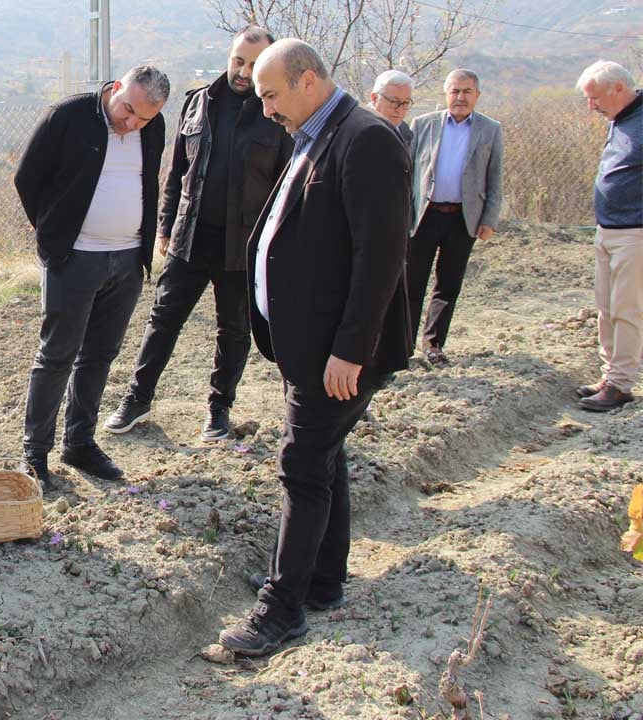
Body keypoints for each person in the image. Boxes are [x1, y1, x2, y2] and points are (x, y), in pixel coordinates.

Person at [218, 39, 412, 657]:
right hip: (307, 345)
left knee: (302, 465)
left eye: (271, 93)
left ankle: (282, 611)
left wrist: (352, 351)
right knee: (325, 458)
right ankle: (322, 580)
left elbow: (381, 258)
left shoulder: (366, 138)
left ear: (307, 81)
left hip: (340, 352)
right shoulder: (312, 133)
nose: (265, 106)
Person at [105, 28, 290, 442]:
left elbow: (284, 187)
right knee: (163, 320)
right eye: (239, 60)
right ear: (230, 56)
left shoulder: (276, 115)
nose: (244, 71)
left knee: (234, 330)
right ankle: (137, 400)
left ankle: (219, 409)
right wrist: (166, 226)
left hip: (244, 246)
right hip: (191, 237)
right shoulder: (199, 103)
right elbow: (176, 174)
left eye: (255, 64)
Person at [14, 65, 171, 488]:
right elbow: (27, 178)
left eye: (143, 119)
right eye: (128, 110)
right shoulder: (66, 116)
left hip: (126, 260)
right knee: (56, 356)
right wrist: (53, 231)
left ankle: (79, 442)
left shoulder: (151, 129)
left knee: (100, 356)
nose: (131, 123)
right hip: (75, 258)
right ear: (116, 87)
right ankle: (36, 452)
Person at [407, 69, 504, 367]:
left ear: (477, 95)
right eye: (455, 91)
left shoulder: (490, 129)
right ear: (446, 93)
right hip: (423, 216)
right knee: (411, 281)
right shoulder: (423, 125)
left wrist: (489, 219)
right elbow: (407, 171)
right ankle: (403, 343)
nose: (460, 97)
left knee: (448, 284)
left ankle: (434, 344)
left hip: (463, 218)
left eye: (467, 91)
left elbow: (494, 177)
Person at [574, 60, 642, 412]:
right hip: (609, 228)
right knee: (606, 307)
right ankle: (609, 373)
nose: (591, 105)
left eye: (595, 97)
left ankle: (620, 384)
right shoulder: (621, 120)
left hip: (636, 232)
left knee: (627, 309)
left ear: (617, 88)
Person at [368, 69, 414, 145]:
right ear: (374, 98)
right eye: (394, 102)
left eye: (406, 102)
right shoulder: (356, 128)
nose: (399, 110)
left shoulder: (406, 132)